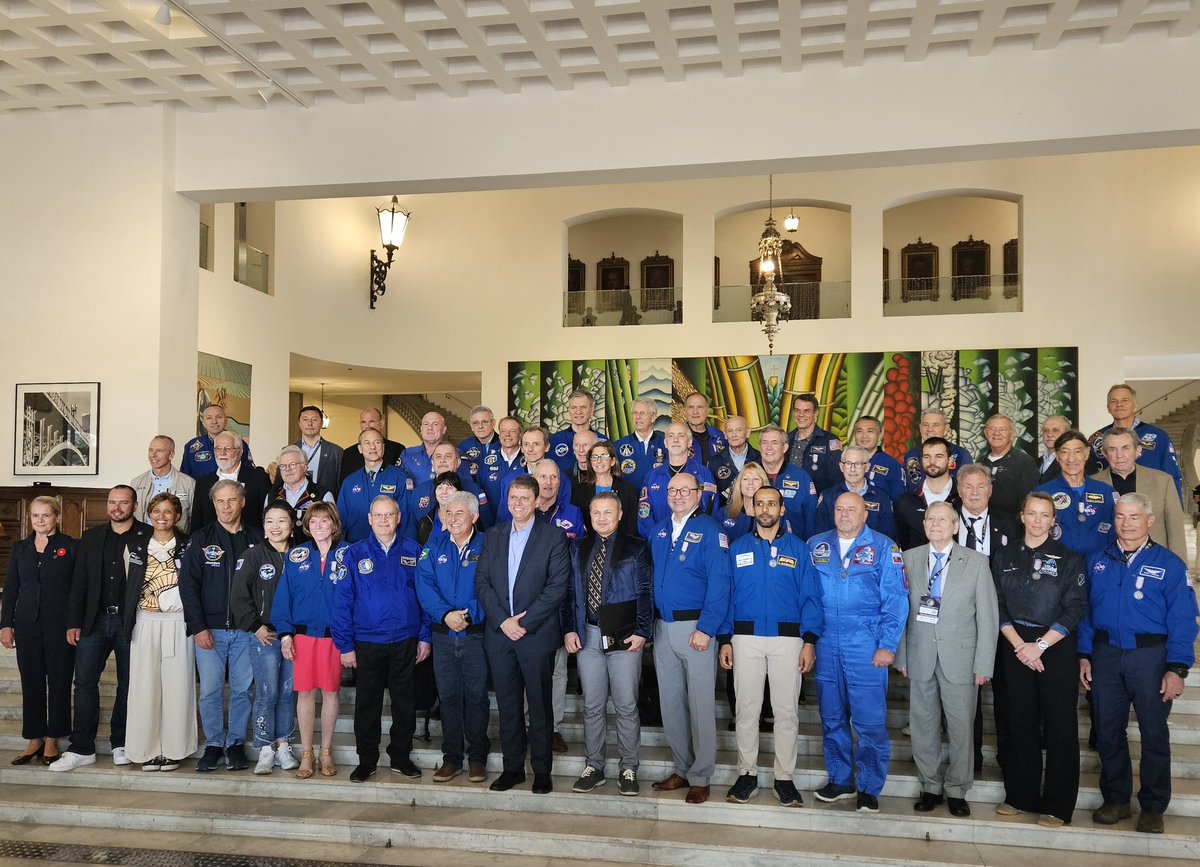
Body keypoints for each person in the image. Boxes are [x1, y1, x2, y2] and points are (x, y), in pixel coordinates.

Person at [1080, 493, 1199, 834]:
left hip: (1151, 657)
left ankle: (1153, 806)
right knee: (1107, 731)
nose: (1126, 523)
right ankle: (1116, 799)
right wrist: (1084, 655)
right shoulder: (1096, 561)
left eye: (1134, 517)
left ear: (1149, 520)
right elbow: (1085, 612)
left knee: (1153, 733)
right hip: (1106, 656)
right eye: (1120, 516)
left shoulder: (1170, 564)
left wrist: (1177, 668)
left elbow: (1183, 618)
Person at [719, 486, 822, 808]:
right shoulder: (737, 548)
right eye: (760, 504)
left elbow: (810, 596)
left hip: (788, 640)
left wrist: (809, 640)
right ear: (751, 509)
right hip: (745, 638)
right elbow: (727, 595)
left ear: (782, 509)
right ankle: (746, 773)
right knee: (746, 710)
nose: (765, 509)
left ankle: (784, 778)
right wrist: (725, 638)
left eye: (772, 504)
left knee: (786, 712)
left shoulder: (799, 549)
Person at [896, 501, 998, 818]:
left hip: (962, 660)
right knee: (923, 726)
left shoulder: (977, 562)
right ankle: (930, 786)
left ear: (955, 526)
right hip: (920, 655)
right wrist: (901, 655)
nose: (936, 524)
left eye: (943, 519)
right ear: (924, 525)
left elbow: (988, 618)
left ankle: (957, 789)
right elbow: (899, 611)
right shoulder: (909, 559)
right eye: (930, 519)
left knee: (961, 728)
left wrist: (984, 664)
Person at [991, 492, 1088, 827]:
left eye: (1044, 515)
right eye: (1031, 513)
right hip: (1014, 644)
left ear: (1053, 521)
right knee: (1019, 721)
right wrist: (1021, 645)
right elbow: (996, 603)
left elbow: (1075, 607)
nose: (1037, 520)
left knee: (1060, 724)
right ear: (1022, 516)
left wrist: (1041, 645)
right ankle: (1021, 795)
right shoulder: (1004, 555)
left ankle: (1057, 806)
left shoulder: (1069, 559)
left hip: (1055, 646)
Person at [808, 492, 908, 813]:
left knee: (869, 721)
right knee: (831, 716)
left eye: (852, 509)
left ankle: (868, 786)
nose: (844, 514)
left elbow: (896, 599)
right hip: (825, 642)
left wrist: (887, 645)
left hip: (865, 644)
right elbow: (805, 596)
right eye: (839, 509)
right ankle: (840, 780)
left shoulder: (884, 547)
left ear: (865, 514)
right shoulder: (816, 546)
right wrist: (807, 640)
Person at [474, 475, 570, 794]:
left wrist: (524, 624)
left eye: (524, 498)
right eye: (513, 497)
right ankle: (512, 769)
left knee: (540, 706)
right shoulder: (494, 535)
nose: (518, 503)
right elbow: (482, 584)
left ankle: (541, 771)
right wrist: (503, 621)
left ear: (536, 501)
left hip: (536, 635)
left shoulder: (553, 536)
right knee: (508, 705)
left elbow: (557, 587)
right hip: (500, 636)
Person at [648, 473, 732, 805]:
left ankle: (701, 775)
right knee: (671, 704)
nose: (678, 495)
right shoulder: (659, 531)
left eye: (686, 490)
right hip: (663, 627)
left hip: (695, 627)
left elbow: (720, 583)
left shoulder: (711, 531)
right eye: (673, 490)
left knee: (699, 705)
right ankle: (682, 768)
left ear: (699, 494)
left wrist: (707, 628)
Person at [54, 485, 151, 772]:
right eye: (112, 502)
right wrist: (73, 621)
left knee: (128, 684)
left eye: (123, 503)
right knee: (84, 683)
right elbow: (79, 582)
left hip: (131, 622)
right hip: (94, 621)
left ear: (134, 506)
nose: (116, 508)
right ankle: (81, 748)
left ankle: (122, 743)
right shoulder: (91, 537)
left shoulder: (147, 536)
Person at [335, 496, 432, 783]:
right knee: (367, 704)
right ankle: (367, 760)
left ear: (398, 517)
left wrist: (425, 636)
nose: (384, 520)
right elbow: (342, 602)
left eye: (389, 515)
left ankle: (401, 757)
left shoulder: (414, 551)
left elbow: (426, 598)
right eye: (378, 515)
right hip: (367, 641)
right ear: (369, 519)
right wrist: (345, 645)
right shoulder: (354, 554)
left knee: (404, 702)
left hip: (405, 639)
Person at [563, 492, 653, 797]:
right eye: (596, 513)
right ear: (589, 517)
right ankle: (595, 766)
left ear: (619, 515)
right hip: (588, 634)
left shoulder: (636, 546)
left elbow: (645, 591)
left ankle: (629, 767)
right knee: (592, 705)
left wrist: (642, 631)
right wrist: (569, 630)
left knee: (626, 704)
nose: (602, 518)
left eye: (608, 512)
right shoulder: (578, 547)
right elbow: (570, 593)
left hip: (624, 636)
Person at [179, 479, 264, 772]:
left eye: (231, 500)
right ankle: (214, 745)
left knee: (242, 690)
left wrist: (259, 624)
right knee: (210, 692)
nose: (226, 507)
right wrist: (198, 626)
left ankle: (236, 744)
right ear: (213, 504)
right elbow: (188, 586)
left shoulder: (257, 538)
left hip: (246, 631)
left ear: (242, 503)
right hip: (210, 630)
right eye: (220, 501)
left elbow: (265, 585)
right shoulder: (201, 539)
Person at [415, 491, 491, 785]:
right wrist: (446, 614)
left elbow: (493, 586)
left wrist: (469, 615)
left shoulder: (488, 545)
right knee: (448, 697)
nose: (453, 519)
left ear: (474, 516)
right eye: (448, 513)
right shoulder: (434, 546)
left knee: (476, 697)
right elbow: (424, 586)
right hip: (443, 634)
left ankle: (477, 758)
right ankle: (452, 758)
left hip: (475, 634)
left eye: (460, 513)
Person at [272, 502, 351, 780]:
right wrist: (285, 634)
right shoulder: (297, 556)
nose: (319, 526)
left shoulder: (349, 554)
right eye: (313, 521)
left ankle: (326, 751)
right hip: (303, 636)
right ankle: (307, 753)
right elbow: (284, 596)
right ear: (306, 526)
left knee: (330, 692)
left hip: (334, 636)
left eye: (324, 520)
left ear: (334, 524)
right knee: (305, 693)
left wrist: (350, 640)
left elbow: (356, 597)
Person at [1, 496, 76, 766]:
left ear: (57, 517)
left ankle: (53, 738)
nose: (40, 520)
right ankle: (34, 738)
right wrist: (5, 624)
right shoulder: (21, 548)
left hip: (61, 627)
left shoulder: (71, 546)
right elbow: (11, 588)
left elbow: (78, 589)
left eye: (45, 515)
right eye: (35, 515)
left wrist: (75, 623)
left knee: (59, 681)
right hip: (27, 625)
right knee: (31, 681)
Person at [123, 492, 194, 772]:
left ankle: (175, 749)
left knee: (178, 686)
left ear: (177, 516)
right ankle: (147, 749)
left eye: (167, 511)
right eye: (156, 511)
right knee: (144, 686)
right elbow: (127, 585)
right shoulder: (136, 545)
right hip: (145, 621)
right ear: (148, 514)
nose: (161, 516)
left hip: (179, 622)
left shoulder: (189, 545)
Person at [230, 501, 298, 775]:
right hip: (264, 635)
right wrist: (254, 626)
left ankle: (283, 745)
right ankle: (265, 748)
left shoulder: (301, 554)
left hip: (293, 636)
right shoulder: (253, 555)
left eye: (281, 521)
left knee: (286, 693)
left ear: (292, 525)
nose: (275, 527)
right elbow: (238, 596)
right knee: (267, 693)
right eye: (270, 521)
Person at [1091, 427, 1187, 562]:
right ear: (1104, 453)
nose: (1119, 455)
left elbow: (1176, 531)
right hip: (1106, 563)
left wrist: (1180, 568)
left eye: (1125, 448)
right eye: (1112, 449)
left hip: (1154, 562)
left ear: (1138, 451)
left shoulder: (1163, 481)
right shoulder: (1091, 484)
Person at [1090, 384, 1183, 499]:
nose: (1119, 404)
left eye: (1125, 400)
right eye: (1113, 401)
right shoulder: (1097, 438)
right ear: (1108, 408)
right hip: (1110, 503)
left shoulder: (1158, 436)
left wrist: (1176, 508)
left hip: (1150, 502)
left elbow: (1172, 476)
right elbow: (1089, 477)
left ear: (1135, 406)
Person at [1034, 430, 1117, 557]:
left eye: (1077, 451)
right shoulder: (1042, 494)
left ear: (1087, 453)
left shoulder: (1107, 493)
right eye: (1065, 452)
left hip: (1099, 564)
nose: (1071, 459)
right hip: (1056, 564)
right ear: (1057, 456)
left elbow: (1117, 533)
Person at [637, 422, 718, 539]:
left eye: (681, 435)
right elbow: (644, 513)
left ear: (689, 442)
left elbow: (711, 510)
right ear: (665, 443)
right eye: (671, 436)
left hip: (695, 541)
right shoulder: (653, 476)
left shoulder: (703, 474)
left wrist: (697, 538)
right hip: (659, 542)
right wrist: (656, 539)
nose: (675, 440)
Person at [336, 428, 413, 543]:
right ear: (360, 449)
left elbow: (407, 517)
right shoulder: (349, 482)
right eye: (367, 443)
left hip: (390, 546)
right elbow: (340, 520)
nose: (372, 447)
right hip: (356, 546)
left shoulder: (400, 477)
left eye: (377, 442)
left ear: (383, 447)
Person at [191, 430, 271, 532]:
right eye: (218, 449)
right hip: (211, 540)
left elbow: (267, 516)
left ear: (240, 452)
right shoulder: (203, 483)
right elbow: (197, 524)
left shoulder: (259, 479)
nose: (222, 453)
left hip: (250, 539)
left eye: (228, 448)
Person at [813, 446, 897, 540]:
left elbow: (888, 538)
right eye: (848, 463)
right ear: (841, 467)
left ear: (867, 467)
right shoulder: (828, 497)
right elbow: (820, 537)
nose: (852, 469)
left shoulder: (881, 498)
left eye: (858, 464)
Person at [494, 427, 573, 524]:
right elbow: (503, 519)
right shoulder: (509, 479)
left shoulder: (561, 477)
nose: (530, 449)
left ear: (547, 446)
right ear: (521, 448)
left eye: (536, 444)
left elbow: (565, 514)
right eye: (526, 444)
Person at [895, 437, 962, 550]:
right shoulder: (906, 501)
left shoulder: (962, 497)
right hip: (916, 560)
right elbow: (903, 540)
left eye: (938, 456)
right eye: (927, 457)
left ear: (950, 461)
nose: (932, 462)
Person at [410, 442, 491, 530]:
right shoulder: (419, 491)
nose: (442, 460)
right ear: (432, 463)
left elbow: (486, 526)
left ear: (458, 462)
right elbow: (413, 529)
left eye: (448, 456)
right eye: (438, 457)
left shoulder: (474, 490)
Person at [977, 415, 1040, 522]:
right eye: (992, 429)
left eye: (1002, 429)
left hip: (1013, 526)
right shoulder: (980, 463)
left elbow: (1029, 502)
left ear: (1012, 435)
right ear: (986, 433)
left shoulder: (1024, 463)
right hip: (984, 525)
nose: (996, 433)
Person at [572, 440, 639, 537]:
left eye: (603, 456)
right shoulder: (580, 490)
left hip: (622, 543)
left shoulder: (628, 490)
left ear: (612, 461)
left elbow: (632, 525)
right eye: (594, 457)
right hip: (589, 543)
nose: (599, 460)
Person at [132, 435, 196, 533]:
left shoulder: (188, 483)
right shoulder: (137, 482)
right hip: (143, 539)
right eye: (150, 450)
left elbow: (194, 519)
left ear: (171, 455)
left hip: (178, 539)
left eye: (159, 451)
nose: (153, 455)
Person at [267, 445, 334, 533]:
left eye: (292, 465)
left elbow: (332, 530)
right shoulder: (272, 495)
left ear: (305, 467)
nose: (287, 469)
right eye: (283, 466)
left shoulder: (322, 495)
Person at [902, 410, 973, 493]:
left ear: (946, 429)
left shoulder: (961, 454)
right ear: (920, 428)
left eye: (935, 425)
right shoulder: (911, 455)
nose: (929, 429)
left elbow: (967, 487)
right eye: (925, 425)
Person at [786, 393, 843, 492]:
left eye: (806, 411)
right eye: (797, 410)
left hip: (819, 499)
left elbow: (837, 480)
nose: (801, 415)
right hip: (789, 498)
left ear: (816, 413)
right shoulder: (786, 439)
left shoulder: (829, 441)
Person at [181, 404, 252, 480]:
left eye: (219, 417)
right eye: (209, 418)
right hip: (202, 487)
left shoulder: (239, 443)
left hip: (232, 486)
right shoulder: (191, 446)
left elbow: (250, 473)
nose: (214, 421)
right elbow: (184, 478)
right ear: (203, 423)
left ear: (226, 421)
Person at [549, 390, 607, 475]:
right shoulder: (554, 441)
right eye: (574, 407)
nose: (578, 412)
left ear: (591, 410)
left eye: (583, 407)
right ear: (569, 410)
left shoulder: (603, 442)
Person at [613, 398, 665, 491]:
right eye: (635, 413)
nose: (637, 417)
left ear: (653, 417)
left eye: (642, 413)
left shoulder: (665, 444)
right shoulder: (618, 446)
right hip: (628, 498)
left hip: (657, 496)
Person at [339, 407, 404, 482]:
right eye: (363, 422)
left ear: (381, 424)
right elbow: (344, 483)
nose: (367, 426)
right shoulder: (349, 453)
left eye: (372, 421)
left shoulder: (397, 449)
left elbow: (401, 479)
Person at [707, 415, 760, 506]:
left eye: (738, 430)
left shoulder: (760, 459)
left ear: (747, 433)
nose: (734, 435)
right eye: (730, 431)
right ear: (725, 435)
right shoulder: (715, 462)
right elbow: (712, 496)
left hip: (754, 510)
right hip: (725, 511)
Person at [714, 463, 772, 542]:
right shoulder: (723, 513)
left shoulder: (773, 515)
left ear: (763, 484)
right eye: (745, 479)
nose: (750, 483)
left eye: (756, 479)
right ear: (740, 484)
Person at [853, 416, 905, 502]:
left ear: (880, 436)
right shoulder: (846, 462)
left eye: (870, 431)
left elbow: (899, 499)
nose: (864, 436)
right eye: (859, 431)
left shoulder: (891, 465)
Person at [295, 404, 344, 494]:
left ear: (321, 423)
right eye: (305, 419)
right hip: (295, 499)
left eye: (314, 419)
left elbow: (341, 485)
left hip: (325, 500)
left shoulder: (336, 452)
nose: (310, 423)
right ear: (299, 423)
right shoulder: (290, 450)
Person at [477, 416, 523, 511]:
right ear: (499, 434)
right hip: (491, 518)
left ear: (520, 434)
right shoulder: (486, 461)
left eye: (512, 431)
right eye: (503, 431)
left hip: (520, 516)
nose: (507, 434)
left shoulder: (527, 460)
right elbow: (479, 491)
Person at [416, 471, 462, 545]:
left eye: (449, 487)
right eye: (440, 487)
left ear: (458, 492)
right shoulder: (425, 521)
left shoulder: (466, 519)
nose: (444, 492)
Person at [401, 411, 448, 483]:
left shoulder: (455, 454)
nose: (430, 428)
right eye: (426, 424)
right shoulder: (407, 454)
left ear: (444, 430)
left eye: (435, 424)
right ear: (421, 429)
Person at [682, 392, 727, 465]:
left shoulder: (719, 436)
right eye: (691, 407)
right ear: (685, 410)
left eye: (700, 407)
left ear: (707, 411)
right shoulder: (676, 437)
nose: (695, 412)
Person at [458, 405, 501, 481]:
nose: (480, 426)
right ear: (471, 426)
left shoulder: (504, 445)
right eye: (475, 423)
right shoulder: (463, 447)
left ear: (493, 423)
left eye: (485, 422)